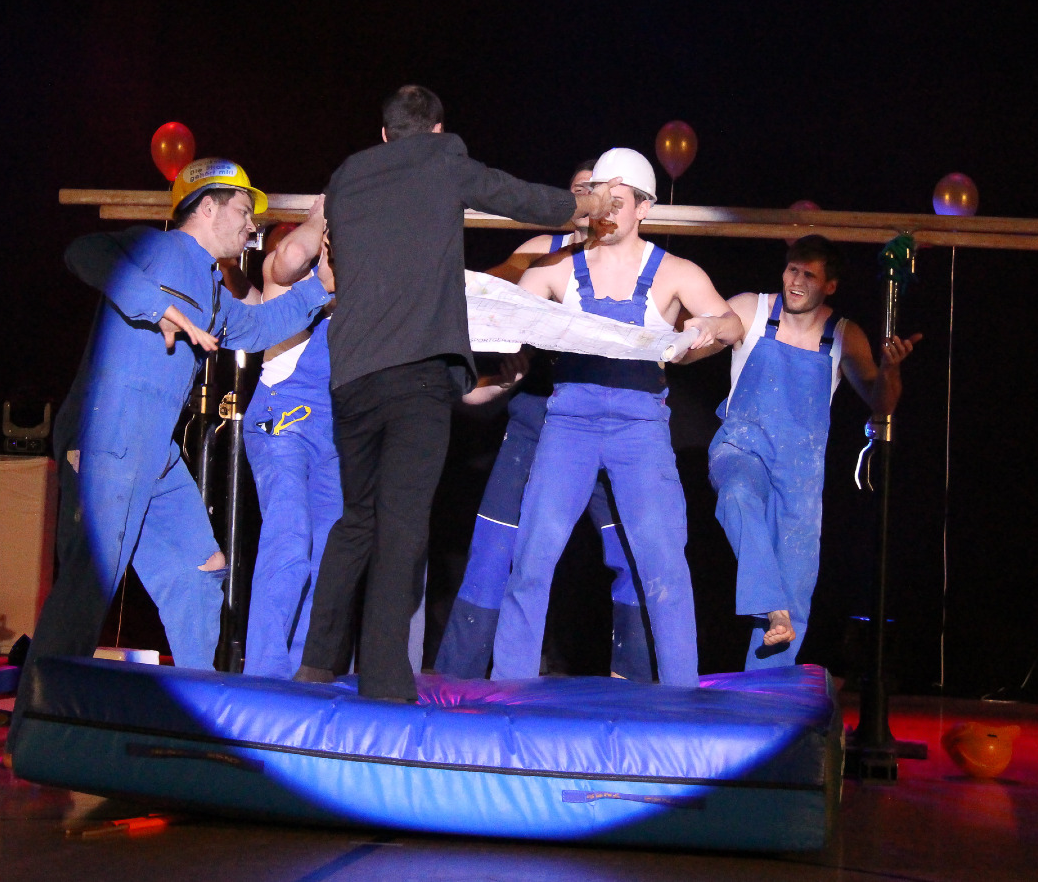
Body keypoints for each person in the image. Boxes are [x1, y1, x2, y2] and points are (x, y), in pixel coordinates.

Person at [294, 86, 618, 702]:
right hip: (415, 373)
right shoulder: (443, 159)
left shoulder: (348, 175)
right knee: (402, 524)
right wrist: (588, 205)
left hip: (352, 374)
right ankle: (384, 681)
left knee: (357, 516)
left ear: (384, 134)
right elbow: (517, 197)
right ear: (439, 130)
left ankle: (316, 663)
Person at [8, 159, 335, 747]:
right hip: (109, 437)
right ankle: (31, 735)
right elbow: (83, 251)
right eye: (243, 213)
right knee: (87, 587)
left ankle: (194, 728)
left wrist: (318, 288)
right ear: (206, 207)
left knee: (200, 570)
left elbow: (257, 329)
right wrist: (151, 303)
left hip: (152, 451)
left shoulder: (209, 286)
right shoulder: (158, 250)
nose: (251, 228)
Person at [490, 147, 743, 687]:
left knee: (663, 565)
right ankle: (510, 689)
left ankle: (680, 696)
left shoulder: (673, 272)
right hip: (569, 424)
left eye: (618, 202)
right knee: (532, 556)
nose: (606, 213)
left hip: (639, 429)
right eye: (599, 200)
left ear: (644, 207)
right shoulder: (561, 267)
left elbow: (730, 323)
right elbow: (503, 309)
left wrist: (704, 332)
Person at [436, 160, 653, 681]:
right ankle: (457, 681)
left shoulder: (634, 261)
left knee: (632, 553)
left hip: (607, 423)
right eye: (579, 191)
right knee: (495, 548)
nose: (588, 201)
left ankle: (636, 684)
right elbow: (482, 295)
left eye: (599, 192)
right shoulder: (541, 251)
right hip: (536, 417)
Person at [698, 234, 919, 668]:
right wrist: (690, 337)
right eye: (792, 270)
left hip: (799, 474)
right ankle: (770, 603)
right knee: (738, 495)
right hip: (741, 449)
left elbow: (881, 402)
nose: (796, 281)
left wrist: (890, 371)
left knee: (796, 584)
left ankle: (765, 694)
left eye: (809, 275)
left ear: (830, 286)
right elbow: (708, 336)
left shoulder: (843, 335)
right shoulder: (752, 309)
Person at [241, 196, 341, 679]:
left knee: (327, 557)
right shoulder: (285, 277)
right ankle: (264, 672)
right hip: (280, 421)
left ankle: (301, 672)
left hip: (332, 434)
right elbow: (289, 256)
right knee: (289, 538)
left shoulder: (359, 294)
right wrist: (321, 213)